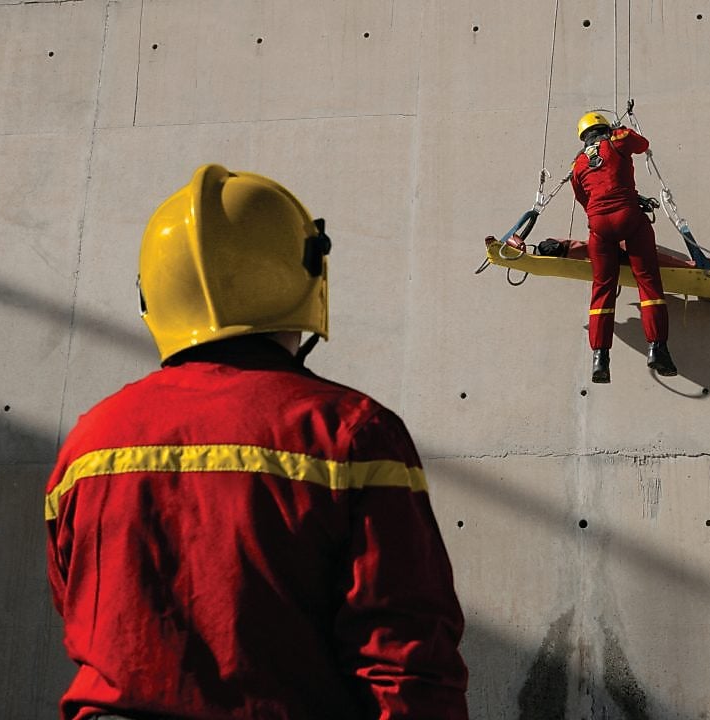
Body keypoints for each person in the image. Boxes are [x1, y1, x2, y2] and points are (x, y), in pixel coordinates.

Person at [44, 164, 468, 720]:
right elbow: (405, 662)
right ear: (307, 272)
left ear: (153, 293)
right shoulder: (350, 434)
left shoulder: (89, 444)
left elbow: (82, 617)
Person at [571, 111, 678, 383]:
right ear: (605, 128)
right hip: (629, 217)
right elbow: (643, 145)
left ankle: (600, 358)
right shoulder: (619, 140)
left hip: (599, 226)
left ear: (583, 137)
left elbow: (584, 199)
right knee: (648, 281)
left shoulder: (578, 164)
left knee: (602, 290)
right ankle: (657, 349)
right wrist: (623, 129)